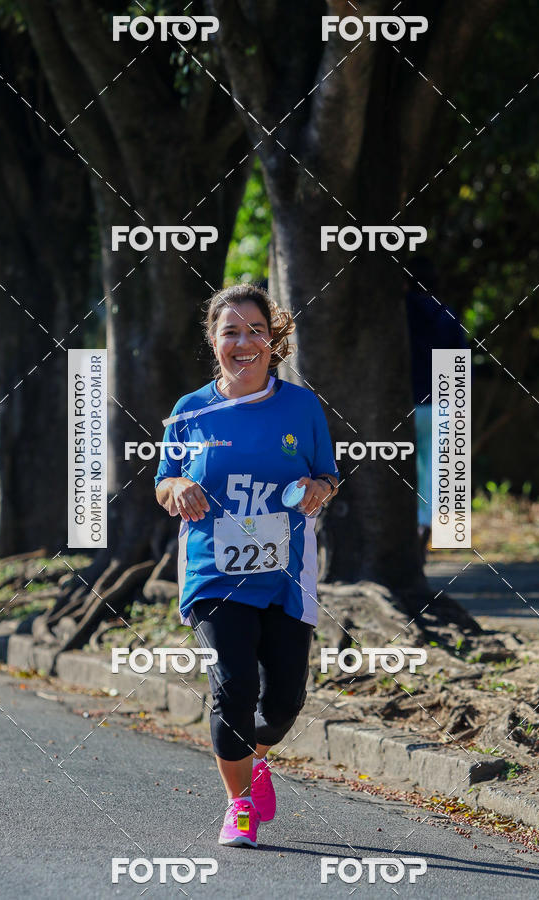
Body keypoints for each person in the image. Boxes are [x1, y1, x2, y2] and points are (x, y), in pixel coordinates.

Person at [154, 284, 339, 848]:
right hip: (215, 570)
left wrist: (316, 488)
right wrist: (179, 486)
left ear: (272, 338)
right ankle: (237, 806)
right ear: (214, 341)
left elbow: (329, 475)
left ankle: (253, 758)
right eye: (230, 331)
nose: (243, 341)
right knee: (232, 686)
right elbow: (163, 481)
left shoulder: (302, 406)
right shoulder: (189, 411)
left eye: (254, 330)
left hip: (286, 572)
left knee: (283, 699)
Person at [405, 258, 467, 561]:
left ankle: (410, 529)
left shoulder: (400, 312)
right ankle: (424, 529)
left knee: (409, 470)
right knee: (435, 473)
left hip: (405, 403)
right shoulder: (448, 315)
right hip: (441, 403)